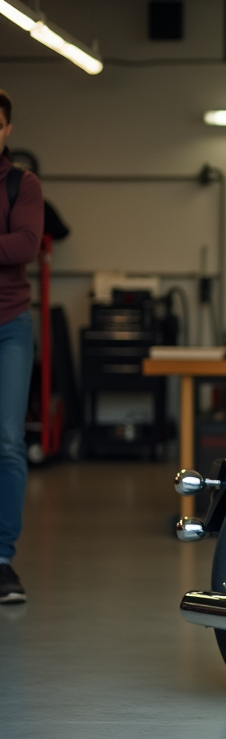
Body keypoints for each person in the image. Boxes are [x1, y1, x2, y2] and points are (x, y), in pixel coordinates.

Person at [0, 89, 43, 605]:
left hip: (11, 323)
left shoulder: (20, 184)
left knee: (7, 441)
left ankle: (2, 559)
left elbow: (25, 244)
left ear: (6, 129)